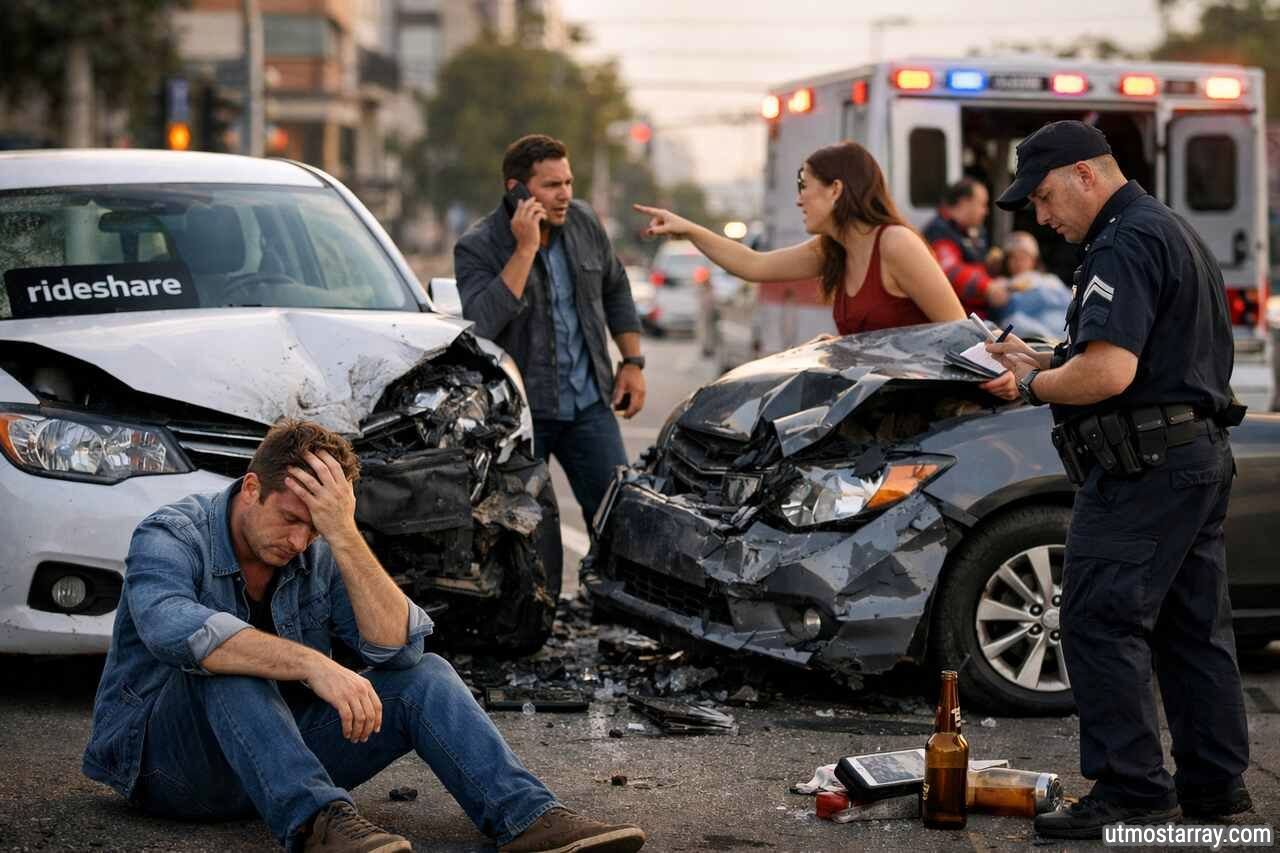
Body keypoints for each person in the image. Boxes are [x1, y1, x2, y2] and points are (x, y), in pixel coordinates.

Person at [82, 419, 646, 853]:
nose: (301, 541)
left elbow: (400, 649)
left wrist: (346, 536)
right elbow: (170, 628)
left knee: (425, 676)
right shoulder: (171, 534)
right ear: (252, 487)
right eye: (291, 518)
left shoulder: (320, 549)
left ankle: (526, 817)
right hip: (170, 771)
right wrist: (312, 664)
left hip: (272, 764)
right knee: (231, 661)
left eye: (316, 526)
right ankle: (318, 823)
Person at [986, 120, 1251, 839]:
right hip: (1193, 456)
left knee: (1100, 618)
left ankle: (1133, 791)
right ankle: (1215, 786)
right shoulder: (1170, 229)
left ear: (1085, 175)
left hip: (1146, 469)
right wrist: (1040, 358)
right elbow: (1143, 355)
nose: (1042, 218)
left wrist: (1031, 388)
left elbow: (1109, 372)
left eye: (1043, 197)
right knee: (1192, 629)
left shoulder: (1122, 241)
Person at [634, 141, 1017, 399]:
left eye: (804, 185)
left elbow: (958, 333)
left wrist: (999, 379)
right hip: (874, 407)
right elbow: (754, 264)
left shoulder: (895, 243)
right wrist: (687, 229)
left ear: (836, 189)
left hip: (922, 413)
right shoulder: (833, 249)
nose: (798, 198)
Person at [455, 134, 645, 529]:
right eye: (552, 185)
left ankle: (604, 593)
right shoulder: (478, 246)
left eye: (568, 183)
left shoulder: (585, 222)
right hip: (523, 416)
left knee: (620, 519)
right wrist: (525, 250)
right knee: (529, 536)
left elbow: (615, 286)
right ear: (517, 188)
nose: (564, 195)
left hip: (589, 406)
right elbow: (484, 324)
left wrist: (632, 362)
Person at [923, 178, 1009, 317]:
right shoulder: (939, 231)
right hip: (962, 319)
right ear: (964, 203)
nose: (986, 211)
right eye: (982, 204)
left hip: (979, 313)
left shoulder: (973, 230)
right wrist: (988, 287)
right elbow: (950, 272)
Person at [990, 230, 1073, 339]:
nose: (1018, 262)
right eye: (1013, 258)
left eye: (1023, 257)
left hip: (1060, 332)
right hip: (1029, 336)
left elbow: (1069, 303)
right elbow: (998, 307)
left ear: (1033, 260)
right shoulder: (1002, 283)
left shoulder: (1049, 279)